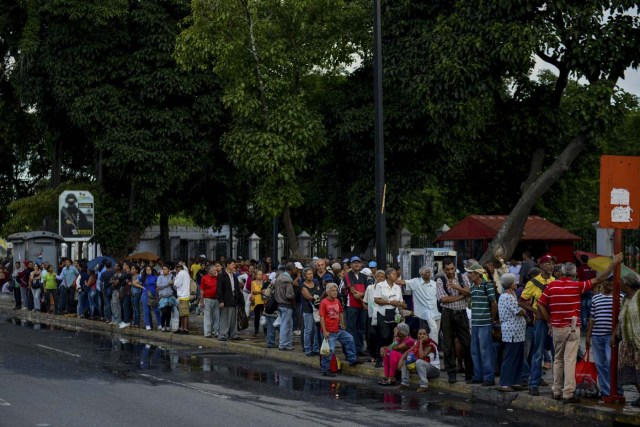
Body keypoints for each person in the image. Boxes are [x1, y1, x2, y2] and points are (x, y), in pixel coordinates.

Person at [537, 253, 622, 403]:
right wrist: (614, 263)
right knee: (569, 360)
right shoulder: (577, 285)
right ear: (575, 273)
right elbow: (600, 278)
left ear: (562, 272)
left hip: (556, 326)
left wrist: (549, 319)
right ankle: (568, 393)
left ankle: (556, 390)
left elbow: (539, 304)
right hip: (571, 326)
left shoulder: (551, 285)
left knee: (557, 360)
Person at [520, 253, 556, 396]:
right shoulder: (532, 283)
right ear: (540, 266)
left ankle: (557, 386)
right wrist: (535, 310)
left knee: (556, 355)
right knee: (538, 353)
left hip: (554, 321)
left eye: (552, 263)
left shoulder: (555, 281)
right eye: (548, 263)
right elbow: (521, 301)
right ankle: (533, 384)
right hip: (540, 322)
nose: (551, 266)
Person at [436, 257, 473, 384]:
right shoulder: (440, 280)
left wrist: (457, 287)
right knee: (448, 346)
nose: (450, 271)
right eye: (448, 269)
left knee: (467, 344)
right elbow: (443, 300)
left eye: (452, 268)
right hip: (447, 314)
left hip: (462, 314)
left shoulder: (462, 277)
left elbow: (469, 291)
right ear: (444, 269)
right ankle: (451, 373)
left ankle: (469, 373)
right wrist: (461, 296)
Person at [586, 278, 620, 398]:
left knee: (611, 361)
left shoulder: (618, 297)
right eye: (609, 283)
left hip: (610, 337)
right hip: (596, 335)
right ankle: (606, 391)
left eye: (613, 283)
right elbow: (592, 317)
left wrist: (614, 335)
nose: (611, 285)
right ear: (604, 284)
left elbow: (620, 319)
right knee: (600, 364)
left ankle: (616, 389)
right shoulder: (596, 298)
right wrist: (588, 335)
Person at [466, 262, 498, 386]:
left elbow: (494, 303)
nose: (469, 275)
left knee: (485, 350)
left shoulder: (487, 285)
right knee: (475, 350)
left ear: (477, 274)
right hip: (475, 323)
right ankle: (478, 376)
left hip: (484, 323)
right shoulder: (473, 287)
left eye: (471, 273)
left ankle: (488, 378)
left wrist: (491, 320)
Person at [319, 282, 359, 377]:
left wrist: (342, 323)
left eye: (336, 290)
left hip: (338, 329)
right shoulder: (323, 302)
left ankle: (352, 359)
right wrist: (324, 331)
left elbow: (340, 312)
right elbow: (321, 317)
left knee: (349, 339)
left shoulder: (337, 301)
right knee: (329, 350)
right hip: (329, 331)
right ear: (327, 292)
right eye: (332, 291)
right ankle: (325, 369)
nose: (335, 292)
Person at [396, 265, 441, 345]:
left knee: (436, 331)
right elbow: (402, 282)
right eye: (427, 272)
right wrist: (389, 279)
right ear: (422, 274)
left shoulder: (434, 284)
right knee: (433, 329)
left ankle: (428, 346)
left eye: (429, 271)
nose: (429, 273)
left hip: (436, 310)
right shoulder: (415, 282)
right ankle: (434, 348)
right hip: (426, 310)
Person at [497, 273, 527, 392]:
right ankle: (505, 383)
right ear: (510, 284)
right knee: (510, 357)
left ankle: (515, 381)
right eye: (514, 281)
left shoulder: (510, 295)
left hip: (517, 332)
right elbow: (518, 311)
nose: (516, 283)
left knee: (518, 357)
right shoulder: (507, 297)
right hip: (512, 331)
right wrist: (524, 311)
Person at [374, 268, 407, 360]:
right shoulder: (380, 285)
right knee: (384, 335)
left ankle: (388, 356)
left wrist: (401, 304)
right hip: (383, 312)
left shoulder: (397, 287)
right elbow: (376, 300)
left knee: (393, 336)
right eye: (393, 274)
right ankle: (378, 356)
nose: (396, 276)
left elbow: (401, 301)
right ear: (388, 275)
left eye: (396, 274)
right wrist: (389, 302)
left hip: (394, 313)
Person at [618, 274, 640, 407]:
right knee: (632, 371)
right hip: (628, 342)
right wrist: (616, 332)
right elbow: (621, 318)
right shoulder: (625, 299)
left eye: (622, 283)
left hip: (638, 340)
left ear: (628, 285)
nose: (620, 286)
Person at [343, 256, 368, 356]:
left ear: (361, 264)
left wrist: (361, 296)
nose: (356, 264)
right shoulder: (348, 275)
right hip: (352, 306)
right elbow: (353, 292)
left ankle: (359, 349)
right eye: (354, 263)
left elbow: (367, 290)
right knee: (351, 329)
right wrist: (363, 301)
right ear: (351, 265)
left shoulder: (364, 276)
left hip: (361, 307)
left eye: (358, 262)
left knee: (361, 329)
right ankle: (351, 351)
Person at [217, 259, 243, 341]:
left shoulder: (234, 276)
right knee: (225, 318)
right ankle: (223, 334)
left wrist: (238, 299)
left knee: (233, 318)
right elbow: (219, 289)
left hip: (233, 299)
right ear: (228, 265)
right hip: (225, 299)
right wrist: (221, 300)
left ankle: (234, 334)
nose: (234, 266)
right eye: (232, 264)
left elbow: (237, 288)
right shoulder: (222, 275)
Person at [275, 262, 297, 350]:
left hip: (280, 304)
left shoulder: (279, 277)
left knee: (288, 324)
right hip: (286, 304)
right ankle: (283, 344)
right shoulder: (288, 279)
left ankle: (287, 343)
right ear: (291, 269)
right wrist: (293, 296)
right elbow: (289, 295)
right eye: (295, 268)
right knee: (285, 324)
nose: (296, 270)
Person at [301, 267, 321, 356]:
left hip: (316, 309)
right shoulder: (303, 286)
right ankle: (308, 349)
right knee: (308, 330)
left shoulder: (316, 283)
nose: (310, 275)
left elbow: (320, 292)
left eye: (311, 273)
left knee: (317, 330)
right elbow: (309, 297)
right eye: (308, 274)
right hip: (308, 310)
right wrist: (317, 296)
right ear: (304, 276)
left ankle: (316, 348)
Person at [199, 265, 220, 338]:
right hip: (207, 299)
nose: (216, 271)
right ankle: (207, 333)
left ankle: (216, 332)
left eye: (216, 270)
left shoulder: (217, 278)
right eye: (214, 270)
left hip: (216, 299)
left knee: (216, 316)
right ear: (209, 271)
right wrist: (201, 301)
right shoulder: (204, 278)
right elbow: (202, 290)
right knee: (207, 317)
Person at [157, 265, 177, 331]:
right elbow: (159, 286)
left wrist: (173, 284)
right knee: (164, 311)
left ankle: (167, 325)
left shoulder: (172, 277)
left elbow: (175, 287)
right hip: (163, 297)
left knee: (169, 312)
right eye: (163, 269)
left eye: (165, 269)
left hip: (170, 297)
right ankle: (162, 325)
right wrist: (168, 283)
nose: (164, 270)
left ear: (168, 270)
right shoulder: (160, 277)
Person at [174, 262, 191, 334]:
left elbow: (177, 284)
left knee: (184, 314)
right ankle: (182, 328)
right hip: (185, 295)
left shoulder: (180, 274)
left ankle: (185, 329)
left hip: (183, 296)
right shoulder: (186, 273)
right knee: (183, 314)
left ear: (177, 268)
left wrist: (175, 278)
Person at [143, 265, 161, 330]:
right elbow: (134, 282)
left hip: (153, 295)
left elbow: (158, 285)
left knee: (157, 310)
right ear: (145, 271)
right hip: (145, 294)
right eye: (147, 270)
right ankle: (147, 325)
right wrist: (142, 287)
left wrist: (157, 291)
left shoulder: (155, 277)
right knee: (146, 310)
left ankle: (159, 324)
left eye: (149, 269)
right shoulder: (143, 277)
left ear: (152, 270)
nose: (148, 271)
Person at [250, 269, 265, 336]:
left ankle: (265, 330)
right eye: (259, 274)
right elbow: (253, 291)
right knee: (257, 317)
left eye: (261, 274)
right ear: (256, 275)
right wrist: (260, 292)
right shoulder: (253, 282)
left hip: (263, 301)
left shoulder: (264, 282)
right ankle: (256, 330)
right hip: (256, 301)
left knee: (264, 316)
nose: (260, 276)